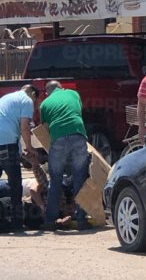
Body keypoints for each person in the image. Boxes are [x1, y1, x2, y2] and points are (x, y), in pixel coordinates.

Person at [40, 81, 90, 231]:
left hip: (58, 138)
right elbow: (78, 111)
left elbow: (45, 128)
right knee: (79, 178)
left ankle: (50, 221)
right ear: (61, 87)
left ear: (47, 92)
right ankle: (81, 220)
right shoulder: (73, 93)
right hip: (77, 134)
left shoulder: (44, 104)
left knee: (55, 180)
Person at [0, 84, 38, 230]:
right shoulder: (26, 100)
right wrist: (29, 147)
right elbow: (24, 127)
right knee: (15, 183)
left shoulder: (6, 98)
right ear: (33, 94)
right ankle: (17, 223)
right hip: (7, 143)